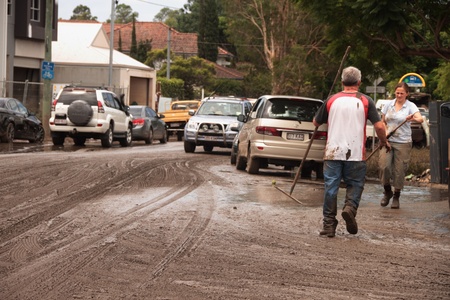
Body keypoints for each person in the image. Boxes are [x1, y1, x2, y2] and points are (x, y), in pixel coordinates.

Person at [313, 66, 390, 238]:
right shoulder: (365, 100)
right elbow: (379, 126)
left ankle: (329, 225)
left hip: (332, 152)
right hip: (355, 153)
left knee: (330, 188)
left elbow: (315, 122)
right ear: (359, 82)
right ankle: (349, 208)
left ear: (342, 82)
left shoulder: (331, 100)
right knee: (355, 184)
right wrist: (384, 141)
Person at [379, 82, 423, 209]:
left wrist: (412, 118)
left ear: (407, 94)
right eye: (397, 93)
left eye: (402, 93)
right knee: (384, 167)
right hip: (387, 140)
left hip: (403, 142)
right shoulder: (388, 105)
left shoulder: (411, 106)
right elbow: (382, 122)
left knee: (399, 170)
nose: (399, 95)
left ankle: (396, 196)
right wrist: (384, 137)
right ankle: (387, 191)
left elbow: (420, 119)